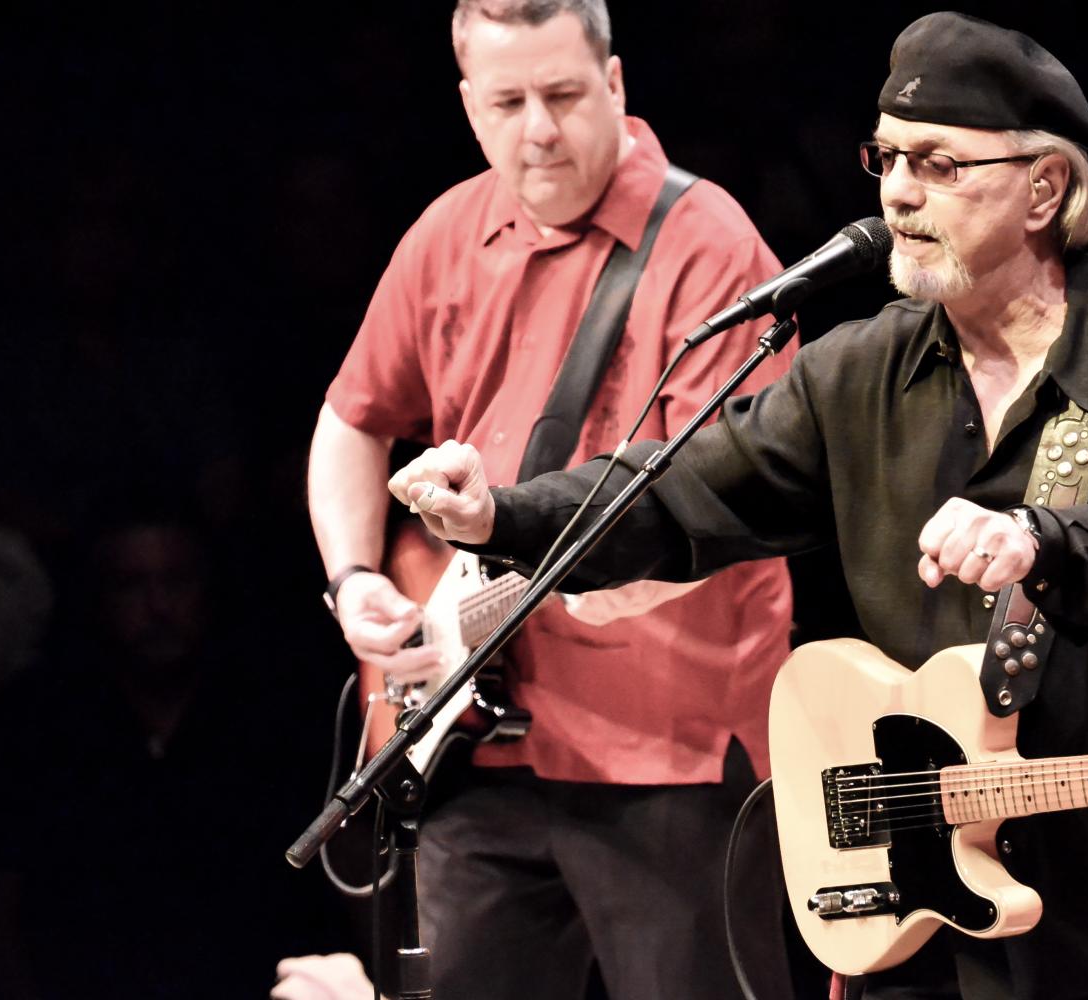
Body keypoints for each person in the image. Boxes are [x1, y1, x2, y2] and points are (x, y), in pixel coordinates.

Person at [387, 11, 1088, 1000]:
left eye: (939, 164)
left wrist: (1040, 536)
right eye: (886, 158)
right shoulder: (862, 368)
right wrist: (501, 516)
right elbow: (681, 492)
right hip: (926, 924)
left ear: (1044, 187)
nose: (898, 191)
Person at [304, 1, 795, 997]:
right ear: (468, 108)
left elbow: (741, 500)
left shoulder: (710, 246)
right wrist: (354, 578)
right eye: (508, 102)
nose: (538, 129)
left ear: (614, 84)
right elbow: (351, 420)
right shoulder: (448, 231)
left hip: (669, 749)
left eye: (564, 95)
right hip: (477, 737)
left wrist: (590, 583)